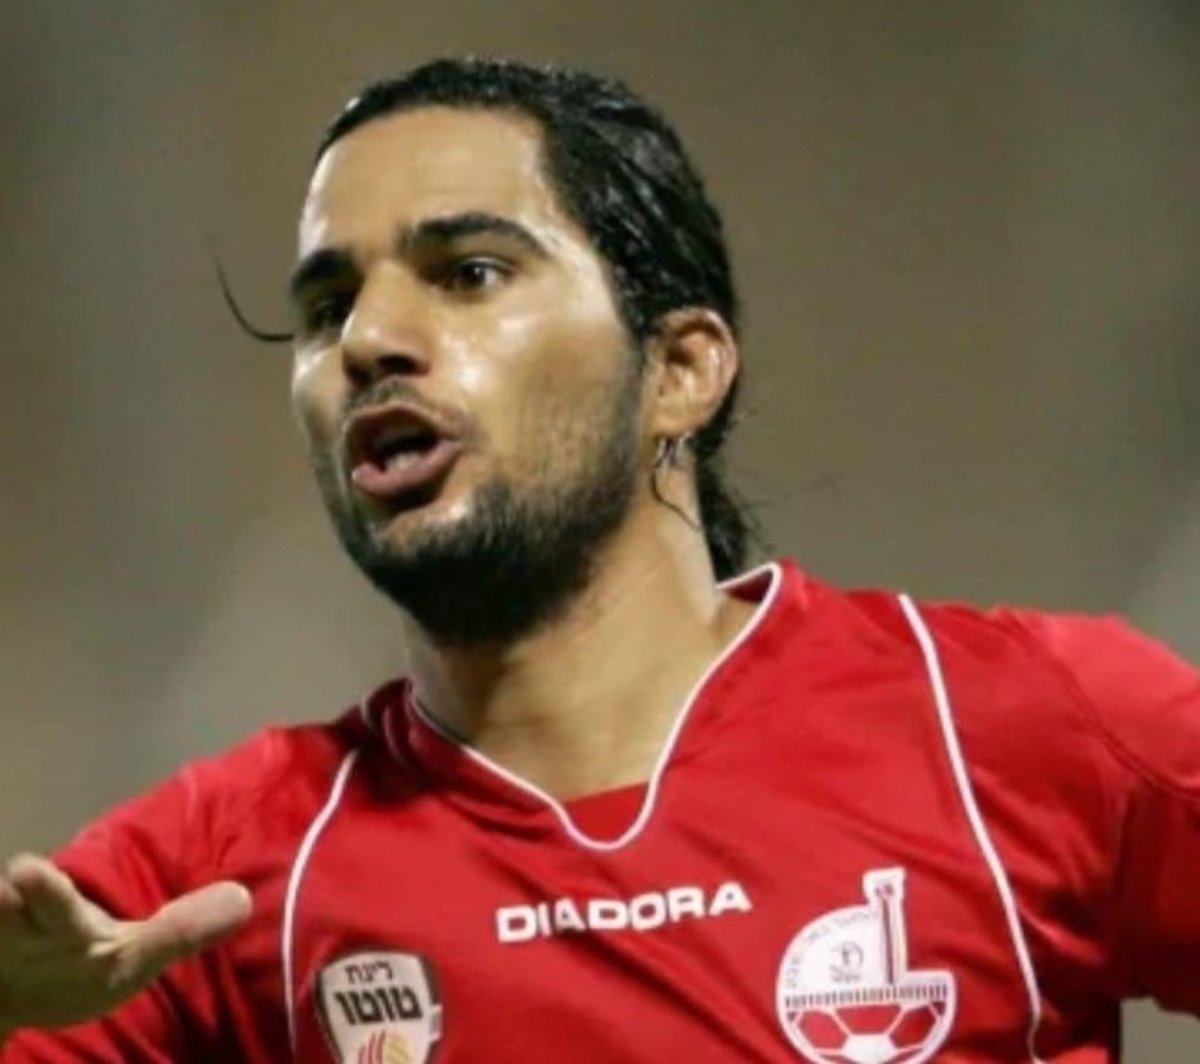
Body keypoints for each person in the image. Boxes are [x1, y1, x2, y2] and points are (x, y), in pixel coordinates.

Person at [1, 57, 1197, 1064]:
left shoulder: (1026, 725)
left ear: (678, 371)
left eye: (469, 273)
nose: (368, 338)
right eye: (327, 306)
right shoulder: (220, 876)